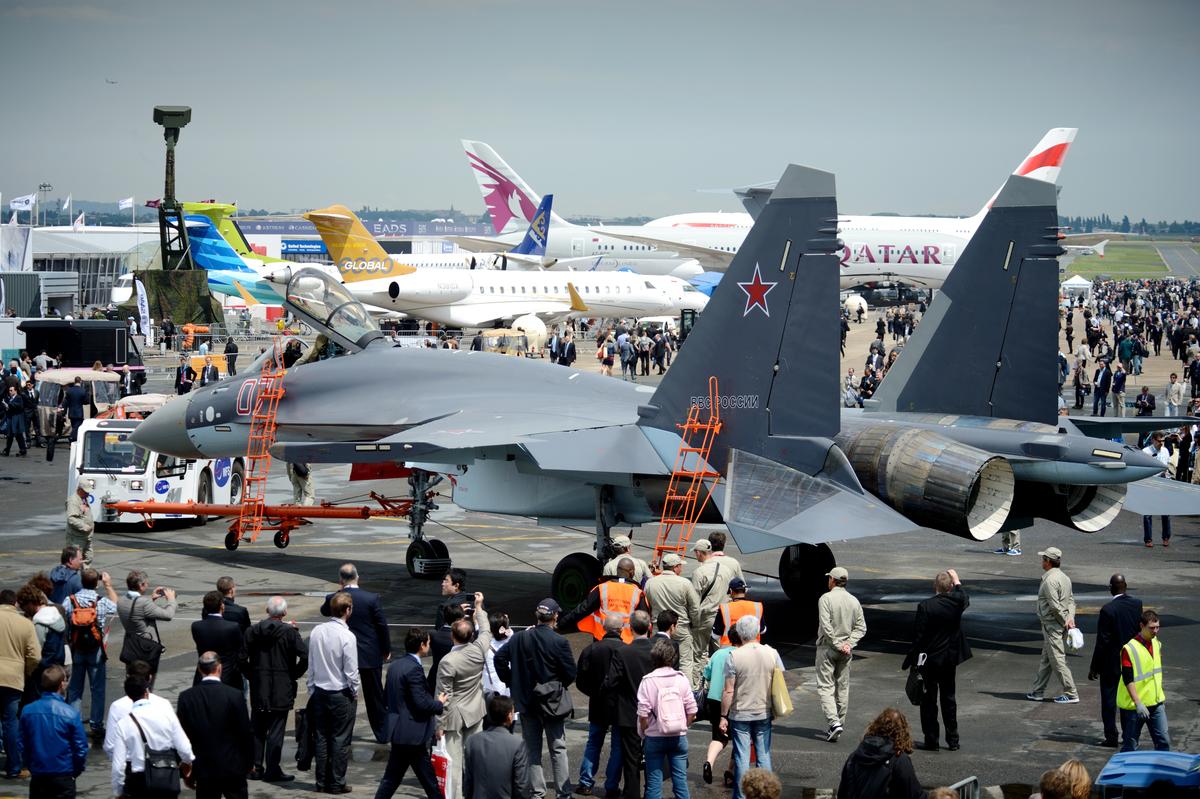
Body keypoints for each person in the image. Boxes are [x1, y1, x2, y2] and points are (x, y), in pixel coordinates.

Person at [494, 598, 576, 799]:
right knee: (558, 748)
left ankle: (537, 792)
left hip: (527, 702)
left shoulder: (519, 638)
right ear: (555, 616)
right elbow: (570, 673)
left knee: (532, 750)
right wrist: (558, 685)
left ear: (537, 616)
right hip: (552, 702)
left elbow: (499, 659)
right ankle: (563, 793)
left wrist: (511, 681)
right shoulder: (559, 641)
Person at [319, 563, 390, 744]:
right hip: (368, 653)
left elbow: (325, 611)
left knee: (346, 695)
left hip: (342, 654)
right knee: (374, 696)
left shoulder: (334, 598)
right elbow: (382, 626)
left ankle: (344, 736)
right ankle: (382, 734)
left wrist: (338, 592)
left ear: (341, 580)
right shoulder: (371, 598)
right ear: (358, 577)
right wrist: (386, 649)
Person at [375, 628, 446, 799]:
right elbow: (420, 702)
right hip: (412, 732)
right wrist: (439, 704)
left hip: (399, 730)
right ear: (422, 645)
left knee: (392, 779)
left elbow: (387, 697)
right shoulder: (414, 669)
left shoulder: (395, 666)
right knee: (427, 780)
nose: (429, 646)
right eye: (428, 643)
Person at [904, 569, 970, 751]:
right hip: (949, 660)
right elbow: (964, 597)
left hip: (930, 661)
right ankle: (953, 740)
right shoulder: (957, 603)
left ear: (935, 586)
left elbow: (919, 637)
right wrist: (957, 581)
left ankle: (931, 740)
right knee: (949, 699)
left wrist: (912, 660)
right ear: (949, 587)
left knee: (928, 702)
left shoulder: (925, 606)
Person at [245, 596, 307, 782]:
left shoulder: (252, 631)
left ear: (267, 610)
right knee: (276, 729)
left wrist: (252, 675)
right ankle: (272, 768)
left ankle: (256, 766)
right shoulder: (289, 633)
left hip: (260, 684)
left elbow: (241, 658)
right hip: (282, 685)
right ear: (284, 613)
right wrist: (293, 674)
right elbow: (305, 656)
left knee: (257, 727)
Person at [436, 592, 492, 799]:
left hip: (454, 716)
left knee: (454, 762)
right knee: (474, 761)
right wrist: (479, 607)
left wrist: (438, 724)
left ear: (453, 636)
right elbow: (486, 630)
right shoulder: (479, 649)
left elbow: (444, 695)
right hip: (475, 710)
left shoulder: (448, 661)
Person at [176, 652, 254, 799]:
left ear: (199, 669)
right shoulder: (234, 695)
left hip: (204, 769)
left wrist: (186, 767)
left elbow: (181, 735)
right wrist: (249, 762)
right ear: (219, 668)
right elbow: (245, 732)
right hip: (233, 767)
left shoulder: (187, 697)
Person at [719, 616, 782, 799]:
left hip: (740, 714)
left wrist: (723, 716)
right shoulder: (772, 653)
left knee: (742, 758)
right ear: (757, 631)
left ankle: (741, 795)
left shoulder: (733, 656)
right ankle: (766, 794)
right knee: (764, 755)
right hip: (764, 710)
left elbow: (728, 691)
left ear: (739, 633)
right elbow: (780, 681)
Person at [109, 673, 195, 799]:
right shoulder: (167, 715)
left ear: (129, 696)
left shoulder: (124, 723)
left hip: (137, 781)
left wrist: (118, 791)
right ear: (146, 692)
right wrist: (187, 764)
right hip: (166, 776)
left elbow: (118, 765)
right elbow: (185, 748)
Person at [308, 591, 359, 794]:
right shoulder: (347, 636)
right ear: (347, 610)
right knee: (340, 739)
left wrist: (311, 688)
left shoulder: (317, 631)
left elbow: (311, 663)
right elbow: (351, 671)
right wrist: (354, 691)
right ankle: (336, 782)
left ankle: (321, 781)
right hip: (340, 693)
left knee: (321, 737)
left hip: (320, 692)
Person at [602, 610, 654, 799]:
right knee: (652, 758)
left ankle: (632, 794)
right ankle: (652, 792)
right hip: (653, 714)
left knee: (630, 761)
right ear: (649, 627)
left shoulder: (623, 652)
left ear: (630, 628)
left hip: (628, 713)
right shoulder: (657, 651)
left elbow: (610, 682)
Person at [1088, 574, 1143, 748]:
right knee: (1128, 700)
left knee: (1109, 701)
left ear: (1111, 588)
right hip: (1131, 660)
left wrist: (1094, 666)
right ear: (1125, 586)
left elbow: (1102, 641)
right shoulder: (1137, 604)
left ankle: (1111, 736)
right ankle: (1129, 735)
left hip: (1111, 663)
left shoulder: (1108, 610)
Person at [574, 615, 626, 797]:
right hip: (620, 706)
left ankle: (585, 782)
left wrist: (593, 693)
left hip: (597, 703)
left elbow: (579, 679)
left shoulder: (591, 649)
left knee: (594, 743)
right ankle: (611, 786)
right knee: (618, 746)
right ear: (622, 629)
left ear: (603, 628)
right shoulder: (626, 650)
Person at [638, 638, 697, 799]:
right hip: (678, 736)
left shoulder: (647, 681)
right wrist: (684, 725)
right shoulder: (681, 679)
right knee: (680, 782)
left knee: (654, 784)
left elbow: (643, 713)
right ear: (673, 657)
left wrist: (644, 731)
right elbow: (692, 709)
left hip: (654, 737)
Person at [66, 568, 119, 741]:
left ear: (81, 581)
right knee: (97, 689)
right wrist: (108, 585)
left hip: (77, 648)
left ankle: (74, 723)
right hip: (95, 649)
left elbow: (64, 615)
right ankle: (96, 724)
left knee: (75, 689)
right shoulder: (100, 601)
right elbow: (116, 605)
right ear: (96, 583)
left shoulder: (71, 600)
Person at [19, 665, 88, 798]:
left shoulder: (28, 711)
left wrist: (31, 765)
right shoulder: (70, 713)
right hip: (63, 774)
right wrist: (75, 772)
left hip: (39, 774)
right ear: (62, 684)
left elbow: (22, 744)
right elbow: (80, 748)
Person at [815, 566, 867, 742]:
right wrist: (849, 644)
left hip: (827, 648)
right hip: (846, 651)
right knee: (842, 688)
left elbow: (826, 626)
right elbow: (861, 627)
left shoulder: (826, 599)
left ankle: (833, 722)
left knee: (825, 687)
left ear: (833, 580)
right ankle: (840, 723)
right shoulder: (854, 601)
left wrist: (837, 644)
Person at [1027, 546, 1079, 704]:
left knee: (1057, 660)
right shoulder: (1065, 577)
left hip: (1052, 625)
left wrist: (1065, 622)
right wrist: (1070, 618)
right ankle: (1038, 691)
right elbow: (1071, 601)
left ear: (1048, 561)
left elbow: (1055, 606)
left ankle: (1071, 693)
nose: (1041, 561)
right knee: (1047, 659)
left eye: (1043, 558)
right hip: (1059, 624)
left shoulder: (1050, 580)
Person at [837, 707, 926, 799]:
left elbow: (842, 793)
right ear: (902, 733)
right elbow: (915, 794)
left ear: (875, 726)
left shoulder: (854, 756)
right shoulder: (899, 760)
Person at [642, 553, 702, 688]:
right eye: (680, 566)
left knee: (658, 660)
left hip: (659, 626)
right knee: (685, 662)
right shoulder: (685, 583)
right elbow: (694, 607)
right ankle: (687, 692)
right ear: (675, 567)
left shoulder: (651, 583)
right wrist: (695, 624)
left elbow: (647, 604)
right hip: (680, 627)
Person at [558, 557, 648, 644]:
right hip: (627, 641)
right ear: (632, 572)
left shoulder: (602, 588)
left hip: (602, 637)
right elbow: (643, 620)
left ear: (617, 571)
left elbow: (582, 609)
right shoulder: (638, 593)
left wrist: (562, 623)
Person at [0, 588, 40, 779]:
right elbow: (35, 655)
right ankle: (14, 766)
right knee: (10, 722)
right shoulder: (25, 624)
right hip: (13, 678)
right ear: (15, 603)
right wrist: (26, 671)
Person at [1118, 609, 1170, 752]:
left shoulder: (1156, 644)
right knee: (1130, 745)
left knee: (1164, 741)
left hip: (1156, 703)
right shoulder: (1129, 649)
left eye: (1157, 627)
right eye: (1152, 628)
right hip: (1135, 707)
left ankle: (1161, 772)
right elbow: (1128, 679)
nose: (1155, 631)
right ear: (1142, 626)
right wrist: (1138, 703)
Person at [463, 695, 532, 799]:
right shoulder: (517, 743)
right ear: (509, 716)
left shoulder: (472, 741)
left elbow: (468, 782)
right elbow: (521, 786)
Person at [117, 571, 177, 677]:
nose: (148, 585)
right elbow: (168, 615)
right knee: (145, 682)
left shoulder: (121, 600)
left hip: (131, 647)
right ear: (141, 585)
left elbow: (137, 613)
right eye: (146, 583)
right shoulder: (143, 603)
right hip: (145, 649)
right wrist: (171, 600)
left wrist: (151, 600)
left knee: (132, 680)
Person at [701, 626, 740, 788]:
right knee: (739, 738)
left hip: (714, 698)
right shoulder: (740, 655)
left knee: (719, 737)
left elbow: (707, 674)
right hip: (733, 700)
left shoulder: (718, 653)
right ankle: (730, 773)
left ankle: (709, 762)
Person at [190, 591, 247, 690]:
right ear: (222, 606)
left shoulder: (196, 626)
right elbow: (240, 649)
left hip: (203, 674)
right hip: (229, 677)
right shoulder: (232, 627)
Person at [1140, 432, 1172, 547]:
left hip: (1163, 484)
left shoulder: (1165, 451)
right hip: (1150, 484)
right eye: (1159, 441)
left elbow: (1167, 466)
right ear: (1153, 440)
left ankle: (1166, 537)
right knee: (1148, 513)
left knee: (1165, 513)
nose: (1161, 443)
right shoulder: (1146, 452)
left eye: (1163, 441)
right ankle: (1148, 539)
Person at [712, 578, 764, 648]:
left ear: (730, 591)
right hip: (753, 650)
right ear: (745, 590)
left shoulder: (724, 608)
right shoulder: (757, 607)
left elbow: (715, 635)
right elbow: (762, 630)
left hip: (729, 651)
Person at [65, 480, 95, 567]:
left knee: (88, 558)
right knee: (75, 560)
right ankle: (74, 578)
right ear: (80, 489)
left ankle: (85, 577)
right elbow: (71, 519)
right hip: (76, 538)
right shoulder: (73, 501)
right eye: (86, 492)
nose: (88, 494)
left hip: (86, 536)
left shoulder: (84, 499)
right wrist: (84, 526)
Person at [3, 383, 28, 456]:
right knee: (10, 435)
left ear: (15, 391)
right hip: (11, 418)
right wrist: (6, 406)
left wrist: (9, 405)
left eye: (11, 390)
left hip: (17, 419)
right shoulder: (10, 398)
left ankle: (23, 450)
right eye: (9, 390)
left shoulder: (19, 397)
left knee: (18, 435)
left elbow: (19, 406)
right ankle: (7, 450)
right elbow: (9, 408)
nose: (10, 392)